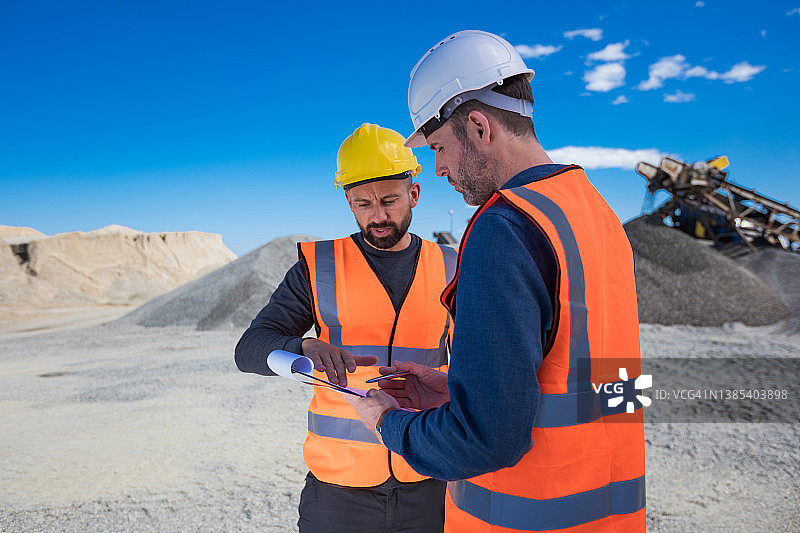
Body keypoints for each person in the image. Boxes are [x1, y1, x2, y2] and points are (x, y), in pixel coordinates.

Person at [346, 30, 646, 532]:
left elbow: (486, 440)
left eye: (439, 147)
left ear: (480, 127)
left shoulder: (505, 227)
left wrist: (387, 423)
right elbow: (602, 385)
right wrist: (461, 389)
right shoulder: (596, 212)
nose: (438, 168)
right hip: (612, 516)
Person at [234, 123, 457, 533]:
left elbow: (479, 365)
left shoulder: (452, 266)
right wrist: (301, 348)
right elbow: (249, 348)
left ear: (414, 194)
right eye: (362, 204)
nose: (378, 216)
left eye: (389, 200)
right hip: (338, 494)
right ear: (348, 201)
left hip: (429, 479)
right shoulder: (317, 267)